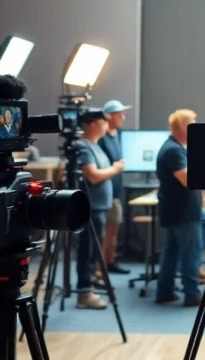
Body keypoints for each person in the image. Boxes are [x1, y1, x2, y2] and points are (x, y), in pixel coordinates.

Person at [74, 109, 126, 310]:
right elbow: (93, 176)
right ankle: (84, 292)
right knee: (87, 249)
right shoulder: (84, 147)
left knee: (93, 250)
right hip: (91, 207)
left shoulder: (95, 146)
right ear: (93, 123)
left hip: (99, 206)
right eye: (104, 122)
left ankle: (90, 283)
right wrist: (115, 169)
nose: (107, 125)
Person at [156, 109, 204, 307]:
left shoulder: (174, 148)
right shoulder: (174, 151)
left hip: (176, 210)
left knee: (172, 253)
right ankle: (192, 294)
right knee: (190, 254)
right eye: (192, 124)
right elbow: (189, 180)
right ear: (181, 127)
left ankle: (165, 291)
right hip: (184, 212)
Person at [97, 99, 133, 275]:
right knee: (104, 232)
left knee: (113, 229)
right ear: (109, 116)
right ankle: (98, 268)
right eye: (120, 115)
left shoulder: (116, 135)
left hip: (116, 190)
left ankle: (109, 262)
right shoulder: (101, 138)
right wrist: (116, 168)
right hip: (105, 191)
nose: (123, 118)